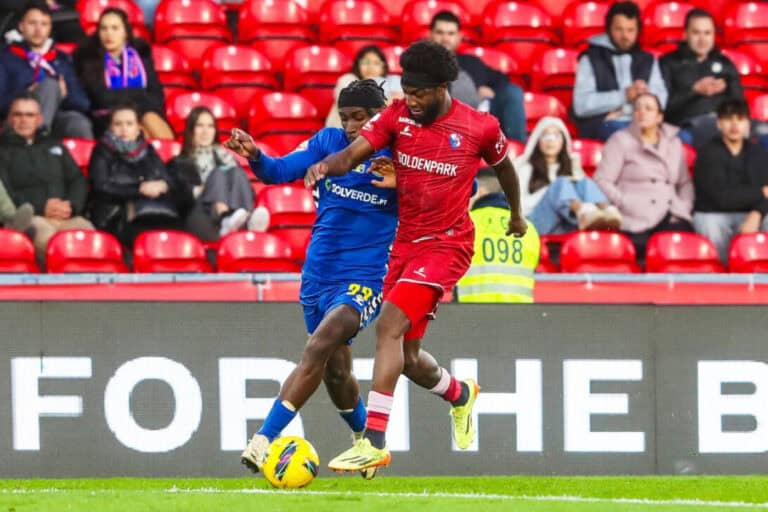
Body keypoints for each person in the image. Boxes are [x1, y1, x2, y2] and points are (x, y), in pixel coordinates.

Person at [304, 41, 527, 473]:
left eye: (419, 93)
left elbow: (505, 168)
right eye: (406, 91)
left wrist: (516, 214)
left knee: (387, 325)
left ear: (443, 87)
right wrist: (325, 166)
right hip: (406, 245)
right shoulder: (397, 116)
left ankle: (374, 441)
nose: (411, 100)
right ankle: (459, 394)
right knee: (406, 359)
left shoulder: (479, 127)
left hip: (448, 244)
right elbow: (354, 153)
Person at [229, 80, 398, 478]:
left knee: (319, 344)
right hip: (318, 277)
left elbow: (462, 187)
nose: (353, 126)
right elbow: (278, 170)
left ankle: (262, 441)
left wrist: (404, 182)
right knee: (336, 371)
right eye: (347, 118)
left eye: (362, 117)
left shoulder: (399, 156)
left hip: (365, 278)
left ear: (381, 115)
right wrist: (254, 154)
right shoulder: (327, 143)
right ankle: (364, 441)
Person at [594, 92, 694, 257]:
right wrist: (623, 201)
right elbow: (602, 180)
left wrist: (683, 207)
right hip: (635, 216)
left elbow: (685, 183)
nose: (642, 112)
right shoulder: (620, 140)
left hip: (671, 214)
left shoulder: (674, 143)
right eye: (638, 108)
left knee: (681, 253)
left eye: (648, 108)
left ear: (659, 117)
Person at [0, 93, 92, 260]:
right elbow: (6, 195)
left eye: (30, 115)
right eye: (18, 114)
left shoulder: (55, 145)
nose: (24, 120)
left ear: (39, 119)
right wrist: (42, 206)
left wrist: (71, 205)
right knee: (50, 244)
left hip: (67, 215)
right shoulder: (2, 151)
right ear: (9, 119)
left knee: (89, 241)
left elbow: (77, 179)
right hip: (32, 218)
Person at [88, 103, 187, 246]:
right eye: (118, 124)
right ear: (110, 127)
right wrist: (139, 189)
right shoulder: (102, 151)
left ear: (138, 128)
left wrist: (163, 185)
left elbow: (167, 178)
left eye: (129, 124)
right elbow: (101, 187)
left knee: (178, 236)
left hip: (153, 210)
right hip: (117, 215)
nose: (124, 129)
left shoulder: (147, 149)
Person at [572, 1, 668, 141]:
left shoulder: (648, 60)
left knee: (681, 137)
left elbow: (661, 101)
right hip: (606, 125)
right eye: (619, 29)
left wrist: (647, 96)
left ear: (638, 31)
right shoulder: (590, 59)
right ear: (609, 29)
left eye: (630, 30)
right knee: (632, 137)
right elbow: (581, 105)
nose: (625, 36)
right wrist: (623, 96)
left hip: (643, 123)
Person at [73, 7, 172, 138]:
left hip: (143, 114)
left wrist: (137, 104)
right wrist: (139, 94)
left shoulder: (141, 54)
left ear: (125, 32)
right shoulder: (89, 57)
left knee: (150, 117)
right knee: (137, 129)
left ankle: (170, 153)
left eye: (115, 28)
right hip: (108, 118)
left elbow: (156, 94)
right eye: (104, 29)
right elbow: (102, 97)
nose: (109, 34)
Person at [429, 10, 527, 143]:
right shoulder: (422, 64)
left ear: (459, 37)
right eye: (440, 32)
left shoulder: (472, 62)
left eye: (450, 33)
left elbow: (502, 79)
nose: (445, 38)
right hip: (452, 123)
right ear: (431, 36)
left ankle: (518, 151)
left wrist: (489, 89)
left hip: (484, 115)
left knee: (513, 92)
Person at [0, 0, 92, 139]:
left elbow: (83, 104)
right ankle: (36, 145)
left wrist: (63, 95)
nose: (38, 29)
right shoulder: (6, 57)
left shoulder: (61, 59)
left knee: (78, 124)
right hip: (17, 120)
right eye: (32, 23)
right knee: (49, 85)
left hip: (55, 117)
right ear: (21, 26)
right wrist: (25, 96)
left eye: (44, 24)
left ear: (50, 28)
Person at [517, 116, 622, 234]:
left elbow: (584, 193)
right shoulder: (526, 168)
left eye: (556, 135)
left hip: (566, 224)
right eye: (545, 135)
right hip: (533, 225)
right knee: (560, 183)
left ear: (563, 140)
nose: (550, 140)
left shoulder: (572, 167)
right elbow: (519, 207)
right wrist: (551, 191)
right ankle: (583, 211)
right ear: (537, 141)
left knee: (584, 182)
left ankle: (608, 211)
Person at [693, 99, 768, 263]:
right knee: (707, 221)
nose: (734, 125)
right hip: (715, 214)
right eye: (728, 119)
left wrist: (757, 213)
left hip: (749, 212)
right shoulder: (707, 153)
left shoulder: (758, 153)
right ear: (719, 124)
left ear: (748, 124)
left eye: (740, 119)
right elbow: (720, 198)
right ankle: (720, 274)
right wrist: (759, 193)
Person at [660, 8, 744, 148]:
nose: (702, 39)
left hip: (724, 122)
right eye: (696, 33)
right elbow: (663, 107)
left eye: (707, 33)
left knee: (763, 132)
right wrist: (694, 90)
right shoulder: (668, 62)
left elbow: (740, 104)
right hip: (687, 125)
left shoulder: (725, 63)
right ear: (685, 34)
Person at [169, 106, 256, 241]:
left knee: (237, 172)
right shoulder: (178, 163)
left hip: (234, 210)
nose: (205, 131)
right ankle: (226, 218)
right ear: (191, 130)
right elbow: (177, 200)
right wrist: (200, 189)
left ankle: (245, 219)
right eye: (200, 125)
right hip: (201, 217)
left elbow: (249, 192)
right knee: (218, 174)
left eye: (210, 126)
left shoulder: (227, 159)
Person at [455, 167, 539, 303]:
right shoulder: (529, 228)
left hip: (472, 316)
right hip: (520, 316)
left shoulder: (464, 224)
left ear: (480, 192)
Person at [326, 45, 402, 127]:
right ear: (358, 65)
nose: (370, 67)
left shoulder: (391, 81)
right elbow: (355, 106)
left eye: (376, 63)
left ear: (383, 67)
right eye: (365, 62)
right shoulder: (347, 79)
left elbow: (402, 103)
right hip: (341, 134)